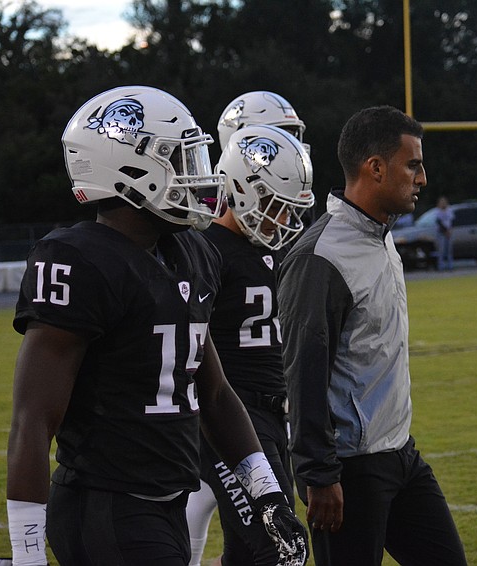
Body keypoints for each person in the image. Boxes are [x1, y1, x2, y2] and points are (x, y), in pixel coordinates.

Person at [2, 86, 307, 566]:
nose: (199, 177)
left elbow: (216, 393)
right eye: (182, 161)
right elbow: (34, 419)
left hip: (166, 501)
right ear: (131, 169)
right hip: (104, 504)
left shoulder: (192, 252)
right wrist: (26, 552)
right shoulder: (79, 260)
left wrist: (266, 493)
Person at [277, 106, 467, 566]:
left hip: (401, 455)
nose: (422, 178)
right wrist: (319, 475)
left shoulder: (381, 236)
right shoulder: (321, 257)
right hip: (350, 469)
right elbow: (303, 375)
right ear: (375, 168)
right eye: (413, 164)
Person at [186, 90, 310, 566]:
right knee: (280, 548)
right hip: (229, 420)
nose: (282, 217)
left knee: (245, 551)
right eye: (272, 204)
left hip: (277, 415)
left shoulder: (286, 243)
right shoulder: (205, 249)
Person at [435, 196, 454, 270]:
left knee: (449, 250)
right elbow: (439, 222)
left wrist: (450, 230)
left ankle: (450, 266)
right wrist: (446, 231)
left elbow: (452, 220)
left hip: (449, 232)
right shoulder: (437, 211)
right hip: (441, 232)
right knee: (441, 250)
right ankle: (441, 266)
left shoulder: (449, 210)